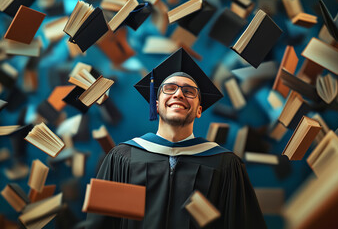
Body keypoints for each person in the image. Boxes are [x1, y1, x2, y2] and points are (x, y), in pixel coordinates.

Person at [86, 48, 266, 229]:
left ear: (199, 110)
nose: (178, 94)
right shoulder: (122, 157)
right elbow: (99, 224)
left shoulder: (226, 165)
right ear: (156, 105)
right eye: (169, 88)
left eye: (189, 91)